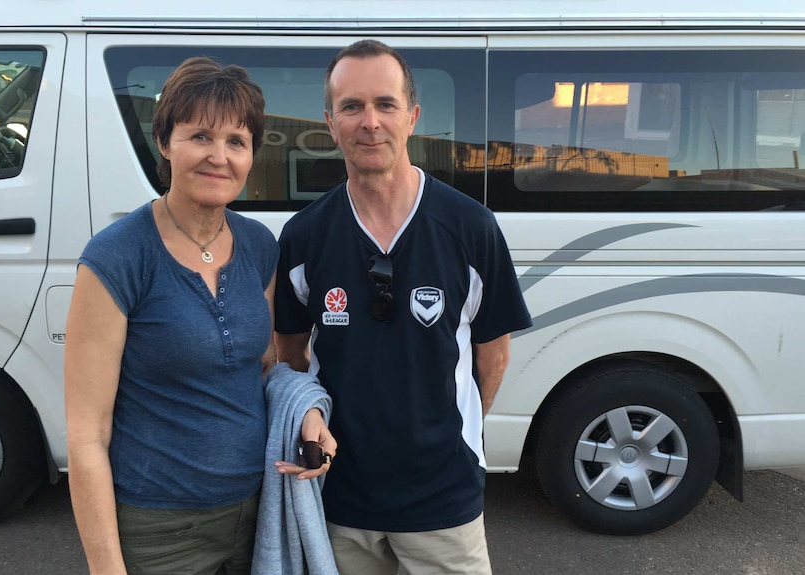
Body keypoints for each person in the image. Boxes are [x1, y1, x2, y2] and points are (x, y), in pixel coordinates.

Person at [65, 56, 333, 575]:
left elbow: (263, 369)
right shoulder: (117, 257)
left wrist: (307, 412)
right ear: (165, 143)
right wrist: (105, 567)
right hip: (159, 529)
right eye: (200, 137)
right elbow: (86, 436)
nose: (219, 156)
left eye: (237, 141)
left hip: (258, 510)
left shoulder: (258, 245)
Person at [273, 39, 533, 574]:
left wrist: (443, 438)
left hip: (443, 500)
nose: (370, 122)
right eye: (352, 106)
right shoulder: (304, 236)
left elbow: (494, 357)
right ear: (330, 121)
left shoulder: (470, 228)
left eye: (385, 104)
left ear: (412, 116)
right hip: (341, 498)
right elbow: (292, 356)